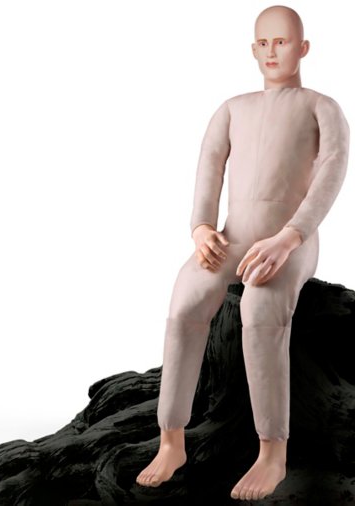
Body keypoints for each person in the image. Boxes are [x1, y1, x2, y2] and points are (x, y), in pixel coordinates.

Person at [136, 4, 350, 501]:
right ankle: (171, 440)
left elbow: (332, 173)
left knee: (259, 307)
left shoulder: (322, 106)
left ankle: (272, 451)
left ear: (303, 48)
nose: (272, 51)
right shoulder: (233, 108)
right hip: (231, 237)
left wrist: (290, 237)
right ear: (253, 49)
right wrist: (201, 228)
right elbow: (209, 167)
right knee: (184, 302)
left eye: (283, 41)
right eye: (264, 42)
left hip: (290, 240)